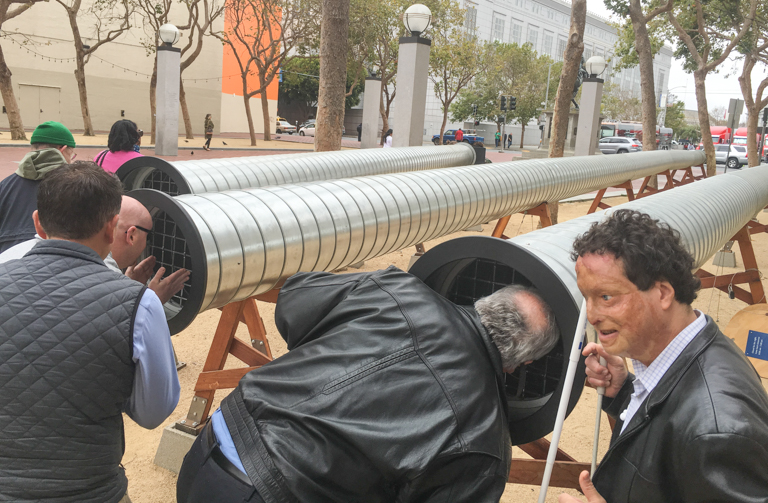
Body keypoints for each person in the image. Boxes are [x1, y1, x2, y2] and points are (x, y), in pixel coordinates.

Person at [177, 269, 560, 503]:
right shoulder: (485, 440)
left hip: (216, 441)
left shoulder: (397, 287)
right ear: (525, 361)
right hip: (283, 492)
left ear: (486, 303)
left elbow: (295, 300)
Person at [0, 162, 180, 503]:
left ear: (37, 223)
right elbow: (153, 412)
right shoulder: (140, 304)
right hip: (91, 490)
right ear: (112, 228)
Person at [559, 210, 768, 503]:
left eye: (606, 297)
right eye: (587, 298)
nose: (592, 315)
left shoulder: (717, 432)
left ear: (663, 293)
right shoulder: (699, 349)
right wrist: (625, 392)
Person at [0, 195, 190, 305]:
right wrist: (150, 302)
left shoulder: (12, 255)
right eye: (149, 235)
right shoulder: (105, 277)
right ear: (131, 235)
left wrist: (128, 287)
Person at [0, 121, 76, 253]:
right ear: (62, 149)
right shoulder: (76, 187)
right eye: (71, 155)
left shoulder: (5, 186)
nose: (71, 160)